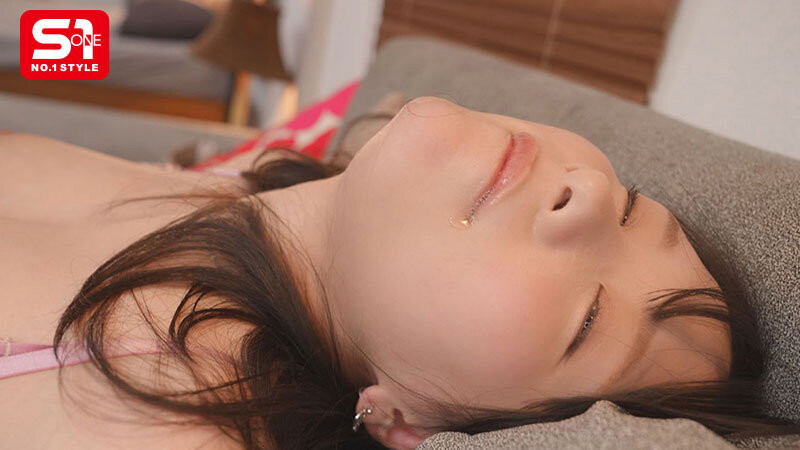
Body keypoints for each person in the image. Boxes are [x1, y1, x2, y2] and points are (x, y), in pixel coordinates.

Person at [1, 96, 798, 449]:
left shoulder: (163, 427)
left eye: (588, 319)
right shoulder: (247, 186)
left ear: (403, 423)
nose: (585, 194)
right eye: (629, 208)